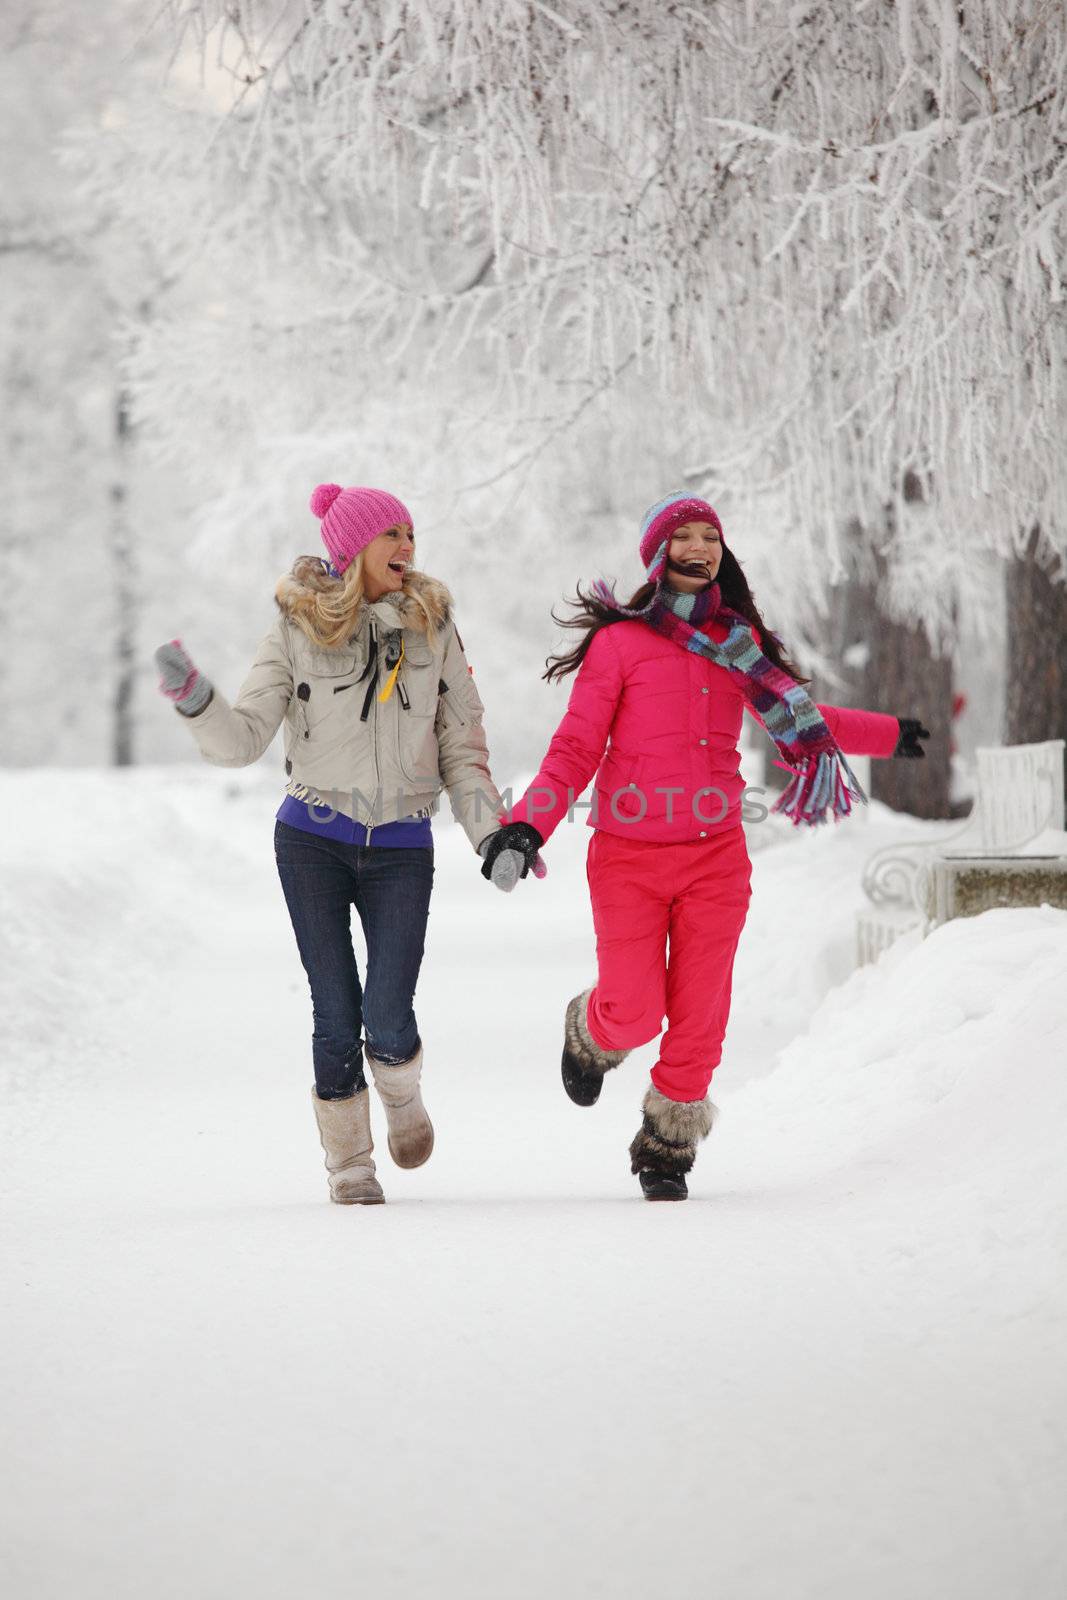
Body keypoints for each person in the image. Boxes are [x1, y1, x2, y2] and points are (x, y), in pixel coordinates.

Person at [479, 493, 930, 1202]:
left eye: (709, 537)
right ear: (657, 556)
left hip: (714, 856)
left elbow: (806, 714)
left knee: (699, 1015)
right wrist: (526, 825)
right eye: (682, 537)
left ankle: (668, 1141)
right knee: (633, 1008)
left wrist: (888, 733)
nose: (699, 547)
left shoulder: (737, 644)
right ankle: (590, 1031)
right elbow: (574, 748)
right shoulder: (619, 643)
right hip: (627, 855)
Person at [155, 482, 516, 1205]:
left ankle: (403, 1099)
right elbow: (244, 739)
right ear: (353, 549)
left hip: (402, 846)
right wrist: (197, 700)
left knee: (387, 1011)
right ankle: (349, 1161)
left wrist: (491, 833)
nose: (408, 549)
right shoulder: (293, 629)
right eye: (393, 536)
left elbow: (461, 744)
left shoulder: (434, 627)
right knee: (333, 1006)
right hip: (311, 842)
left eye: (411, 534)